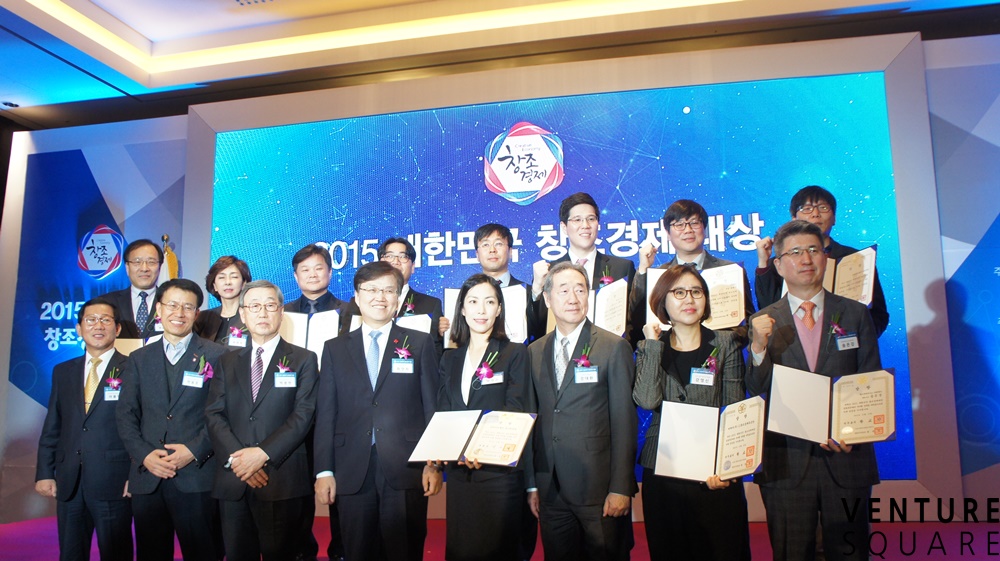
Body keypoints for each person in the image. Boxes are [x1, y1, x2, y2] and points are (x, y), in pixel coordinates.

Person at [747, 220, 881, 561]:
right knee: (791, 553)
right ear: (778, 265)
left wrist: (853, 431)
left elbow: (869, 379)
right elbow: (756, 388)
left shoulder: (855, 314)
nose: (805, 259)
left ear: (825, 257)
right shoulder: (763, 320)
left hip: (846, 456)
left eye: (813, 250)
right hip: (786, 461)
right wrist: (758, 347)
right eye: (794, 252)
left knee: (851, 551)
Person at [314, 261, 442, 561]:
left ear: (398, 298)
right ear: (357, 297)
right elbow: (326, 414)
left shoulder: (419, 343)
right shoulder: (334, 348)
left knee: (405, 550)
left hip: (406, 466)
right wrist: (324, 470)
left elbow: (432, 408)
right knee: (357, 550)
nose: (380, 297)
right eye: (371, 290)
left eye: (388, 290)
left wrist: (434, 464)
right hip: (350, 467)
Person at [633, 265, 751, 561]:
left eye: (696, 292)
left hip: (713, 473)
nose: (689, 299)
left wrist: (725, 467)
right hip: (664, 471)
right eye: (679, 292)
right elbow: (646, 400)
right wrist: (651, 345)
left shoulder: (725, 343)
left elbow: (734, 408)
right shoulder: (651, 347)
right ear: (662, 301)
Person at [526, 261, 637, 561]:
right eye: (563, 291)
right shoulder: (534, 352)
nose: (573, 298)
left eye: (580, 289)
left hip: (598, 489)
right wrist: (532, 483)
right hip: (550, 489)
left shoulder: (613, 347)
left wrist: (621, 487)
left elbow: (624, 422)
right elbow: (532, 421)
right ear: (547, 299)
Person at [206, 280, 319, 561]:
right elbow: (214, 414)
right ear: (243, 315)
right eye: (254, 306)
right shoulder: (227, 361)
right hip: (234, 478)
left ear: (281, 312)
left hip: (280, 478)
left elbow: (303, 416)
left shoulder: (304, 359)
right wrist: (240, 460)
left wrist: (262, 454)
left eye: (270, 305)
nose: (263, 313)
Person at [116, 278, 227, 561]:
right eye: (172, 305)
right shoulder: (138, 358)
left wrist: (194, 450)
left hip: (197, 475)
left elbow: (222, 413)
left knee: (204, 553)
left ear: (197, 314)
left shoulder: (219, 356)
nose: (179, 313)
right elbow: (126, 415)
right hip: (149, 476)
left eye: (188, 307)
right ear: (159, 309)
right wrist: (144, 455)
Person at [437, 273, 530, 561]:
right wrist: (453, 451)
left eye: (489, 302)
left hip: (499, 473)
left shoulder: (515, 353)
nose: (481, 310)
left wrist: (479, 449)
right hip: (460, 474)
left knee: (498, 550)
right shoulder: (450, 358)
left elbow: (515, 410)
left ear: (499, 309)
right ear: (462, 309)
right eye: (473, 302)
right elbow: (444, 411)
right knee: (462, 549)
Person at [35, 297, 133, 561]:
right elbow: (53, 425)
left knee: (116, 553)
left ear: (117, 328)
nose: (98, 326)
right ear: (79, 328)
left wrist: (136, 474)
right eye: (90, 320)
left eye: (105, 320)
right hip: (70, 482)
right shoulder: (63, 371)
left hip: (114, 481)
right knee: (70, 553)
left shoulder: (134, 368)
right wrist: (45, 473)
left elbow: (142, 425)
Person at [754, 186, 889, 337]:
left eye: (823, 208)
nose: (815, 214)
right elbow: (767, 310)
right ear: (794, 218)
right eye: (807, 208)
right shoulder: (783, 261)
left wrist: (857, 339)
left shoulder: (856, 258)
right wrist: (763, 263)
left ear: (834, 218)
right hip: (793, 345)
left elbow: (878, 315)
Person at [282, 243, 345, 561]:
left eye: (318, 268)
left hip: (334, 410)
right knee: (297, 488)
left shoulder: (349, 311)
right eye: (304, 270)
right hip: (290, 411)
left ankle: (342, 551)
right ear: (295, 276)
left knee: (339, 487)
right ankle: (300, 551)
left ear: (330, 272)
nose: (312, 274)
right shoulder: (281, 312)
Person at [629, 199, 754, 344]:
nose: (688, 230)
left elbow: (746, 324)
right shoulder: (658, 276)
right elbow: (636, 321)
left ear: (704, 229)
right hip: (669, 354)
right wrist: (643, 270)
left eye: (694, 223)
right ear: (668, 233)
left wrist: (720, 346)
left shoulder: (730, 271)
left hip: (720, 353)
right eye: (679, 224)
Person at [532, 192, 636, 340]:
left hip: (610, 348)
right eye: (577, 220)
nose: (585, 225)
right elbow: (538, 326)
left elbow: (633, 320)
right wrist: (536, 289)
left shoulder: (622, 268)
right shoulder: (549, 271)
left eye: (591, 219)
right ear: (564, 227)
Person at [438, 223, 543, 343]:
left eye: (498, 244)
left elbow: (541, 331)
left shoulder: (530, 293)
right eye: (485, 245)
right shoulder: (464, 297)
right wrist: (442, 330)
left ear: (510, 251)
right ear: (477, 255)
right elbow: (459, 338)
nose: (492, 250)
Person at [341, 237, 445, 353]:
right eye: (389, 256)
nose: (396, 262)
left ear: (413, 267)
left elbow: (434, 350)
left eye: (403, 256)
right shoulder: (360, 301)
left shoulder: (430, 304)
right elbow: (344, 344)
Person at [102, 238, 163, 339]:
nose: (144, 268)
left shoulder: (170, 303)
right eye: (137, 262)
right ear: (127, 267)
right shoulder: (107, 302)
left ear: (160, 266)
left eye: (151, 262)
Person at [193, 255, 252, 347]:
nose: (227, 282)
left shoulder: (252, 316)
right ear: (214, 286)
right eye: (221, 277)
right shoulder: (203, 318)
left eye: (234, 277)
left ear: (244, 283)